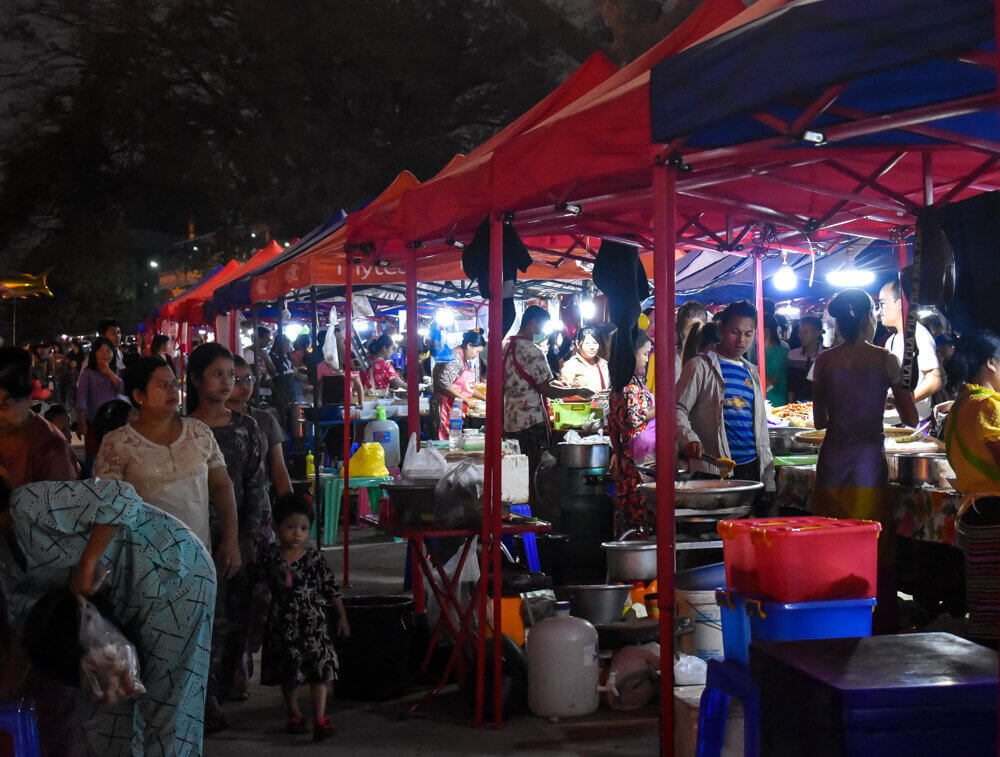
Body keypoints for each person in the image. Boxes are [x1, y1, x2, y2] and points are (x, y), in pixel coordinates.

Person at [0, 477, 217, 756]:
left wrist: (88, 562)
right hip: (111, 617)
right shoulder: (4, 557)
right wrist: (5, 692)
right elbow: (25, 624)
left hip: (173, 574)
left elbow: (121, 495)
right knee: (103, 717)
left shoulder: (29, 504)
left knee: (168, 714)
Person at [812, 289, 918, 632]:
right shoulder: (886, 359)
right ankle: (873, 623)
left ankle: (831, 621)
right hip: (867, 464)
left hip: (831, 462)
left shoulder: (824, 360)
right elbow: (912, 418)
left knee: (830, 544)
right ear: (869, 318)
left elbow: (818, 420)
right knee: (871, 545)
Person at [0, 347, 84, 756]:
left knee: (44, 708)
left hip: (39, 592)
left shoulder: (49, 449)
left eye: (7, 403)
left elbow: (64, 535)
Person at [93, 356, 241, 573]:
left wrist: (230, 540)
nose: (173, 390)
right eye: (163, 385)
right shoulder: (117, 444)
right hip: (144, 566)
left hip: (198, 559)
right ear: (138, 395)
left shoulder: (198, 432)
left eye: (174, 384)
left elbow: (221, 486)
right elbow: (109, 507)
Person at [187, 343, 269, 731]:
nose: (227, 382)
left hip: (237, 539)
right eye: (217, 374)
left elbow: (256, 485)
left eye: (231, 375)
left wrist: (248, 537)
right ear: (195, 379)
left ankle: (219, 690)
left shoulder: (246, 427)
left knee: (236, 618)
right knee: (203, 620)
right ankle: (205, 699)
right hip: (195, 537)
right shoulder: (185, 429)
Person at [252, 493, 349, 741]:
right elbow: (257, 587)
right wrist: (254, 622)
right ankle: (294, 713)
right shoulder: (270, 558)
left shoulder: (315, 559)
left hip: (314, 626)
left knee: (319, 672)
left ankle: (319, 718)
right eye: (291, 527)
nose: (297, 533)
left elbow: (332, 589)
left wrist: (342, 617)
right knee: (289, 672)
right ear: (276, 527)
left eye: (304, 528)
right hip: (282, 626)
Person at [676, 301, 773, 488]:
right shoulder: (700, 366)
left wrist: (768, 481)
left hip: (751, 467)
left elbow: (761, 427)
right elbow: (677, 408)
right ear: (721, 329)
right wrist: (690, 438)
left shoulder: (751, 372)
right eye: (735, 332)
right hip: (713, 469)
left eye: (748, 334)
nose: (741, 341)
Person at [943, 332, 1000, 646]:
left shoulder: (962, 403)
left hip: (976, 518)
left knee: (984, 605)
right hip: (994, 516)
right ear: (990, 363)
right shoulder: (986, 406)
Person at [503, 306, 593, 503]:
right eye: (543, 325)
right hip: (530, 423)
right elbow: (546, 389)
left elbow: (531, 381)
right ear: (534, 322)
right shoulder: (532, 350)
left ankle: (517, 513)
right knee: (534, 474)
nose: (544, 331)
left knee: (515, 472)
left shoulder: (506, 347)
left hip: (509, 422)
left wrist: (555, 383)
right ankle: (532, 518)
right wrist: (577, 391)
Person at [608, 332, 655, 534]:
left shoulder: (622, 384)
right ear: (630, 355)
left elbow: (612, 426)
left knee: (630, 513)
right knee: (639, 514)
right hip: (637, 463)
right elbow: (636, 418)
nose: (647, 358)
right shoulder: (630, 387)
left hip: (629, 459)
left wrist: (617, 454)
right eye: (644, 353)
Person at [878, 279, 942, 422]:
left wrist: (905, 400)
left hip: (912, 425)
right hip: (892, 421)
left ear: (899, 303)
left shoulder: (918, 334)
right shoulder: (891, 340)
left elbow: (934, 379)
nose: (880, 310)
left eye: (883, 303)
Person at [228, 355, 293, 495]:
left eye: (248, 378)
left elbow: (279, 471)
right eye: (236, 380)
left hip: (259, 503)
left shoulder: (264, 419)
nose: (245, 385)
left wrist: (291, 509)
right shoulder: (210, 422)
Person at [76, 336, 127, 473]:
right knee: (93, 459)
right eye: (101, 351)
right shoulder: (88, 373)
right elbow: (81, 397)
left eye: (108, 351)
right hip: (94, 423)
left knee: (115, 458)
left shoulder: (115, 372)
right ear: (94, 354)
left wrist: (109, 372)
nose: (105, 354)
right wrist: (81, 421)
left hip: (114, 423)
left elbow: (122, 389)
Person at [431, 330, 487, 440]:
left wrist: (485, 398)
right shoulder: (455, 358)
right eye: (476, 351)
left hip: (453, 407)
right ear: (469, 345)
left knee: (453, 439)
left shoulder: (463, 360)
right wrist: (465, 399)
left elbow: (466, 387)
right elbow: (444, 383)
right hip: (444, 405)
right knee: (445, 440)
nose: (476, 356)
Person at [560, 326, 610, 393]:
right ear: (578, 344)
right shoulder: (570, 366)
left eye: (595, 343)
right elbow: (565, 393)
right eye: (587, 343)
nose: (592, 347)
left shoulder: (603, 364)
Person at [786, 315, 824, 402]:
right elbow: (791, 385)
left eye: (806, 332)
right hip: (797, 407)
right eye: (800, 332)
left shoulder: (827, 356)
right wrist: (791, 405)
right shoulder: (792, 355)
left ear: (818, 332)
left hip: (821, 406)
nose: (801, 336)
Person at [763, 315, 789, 406]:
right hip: (761, 400)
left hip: (777, 400)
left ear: (766, 331)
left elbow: (779, 377)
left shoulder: (784, 350)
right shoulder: (754, 351)